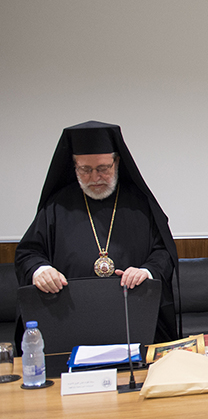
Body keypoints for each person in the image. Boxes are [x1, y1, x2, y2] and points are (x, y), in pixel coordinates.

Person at [15, 121, 178, 341]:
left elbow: (164, 252)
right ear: (74, 166)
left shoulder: (139, 204)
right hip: (70, 318)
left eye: (103, 168)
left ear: (116, 162)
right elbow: (28, 253)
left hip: (133, 315)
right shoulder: (57, 205)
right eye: (85, 170)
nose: (95, 178)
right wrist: (41, 270)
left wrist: (146, 271)